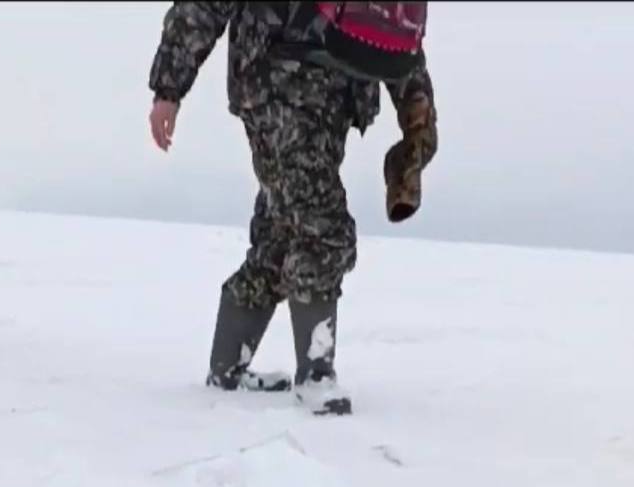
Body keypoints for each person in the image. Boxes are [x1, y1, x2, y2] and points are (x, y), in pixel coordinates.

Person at [149, 2, 437, 415]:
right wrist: (168, 88)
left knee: (281, 235)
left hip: (336, 93)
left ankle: (227, 368)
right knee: (323, 227)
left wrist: (419, 119)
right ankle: (315, 376)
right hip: (275, 83)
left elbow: (395, 28)